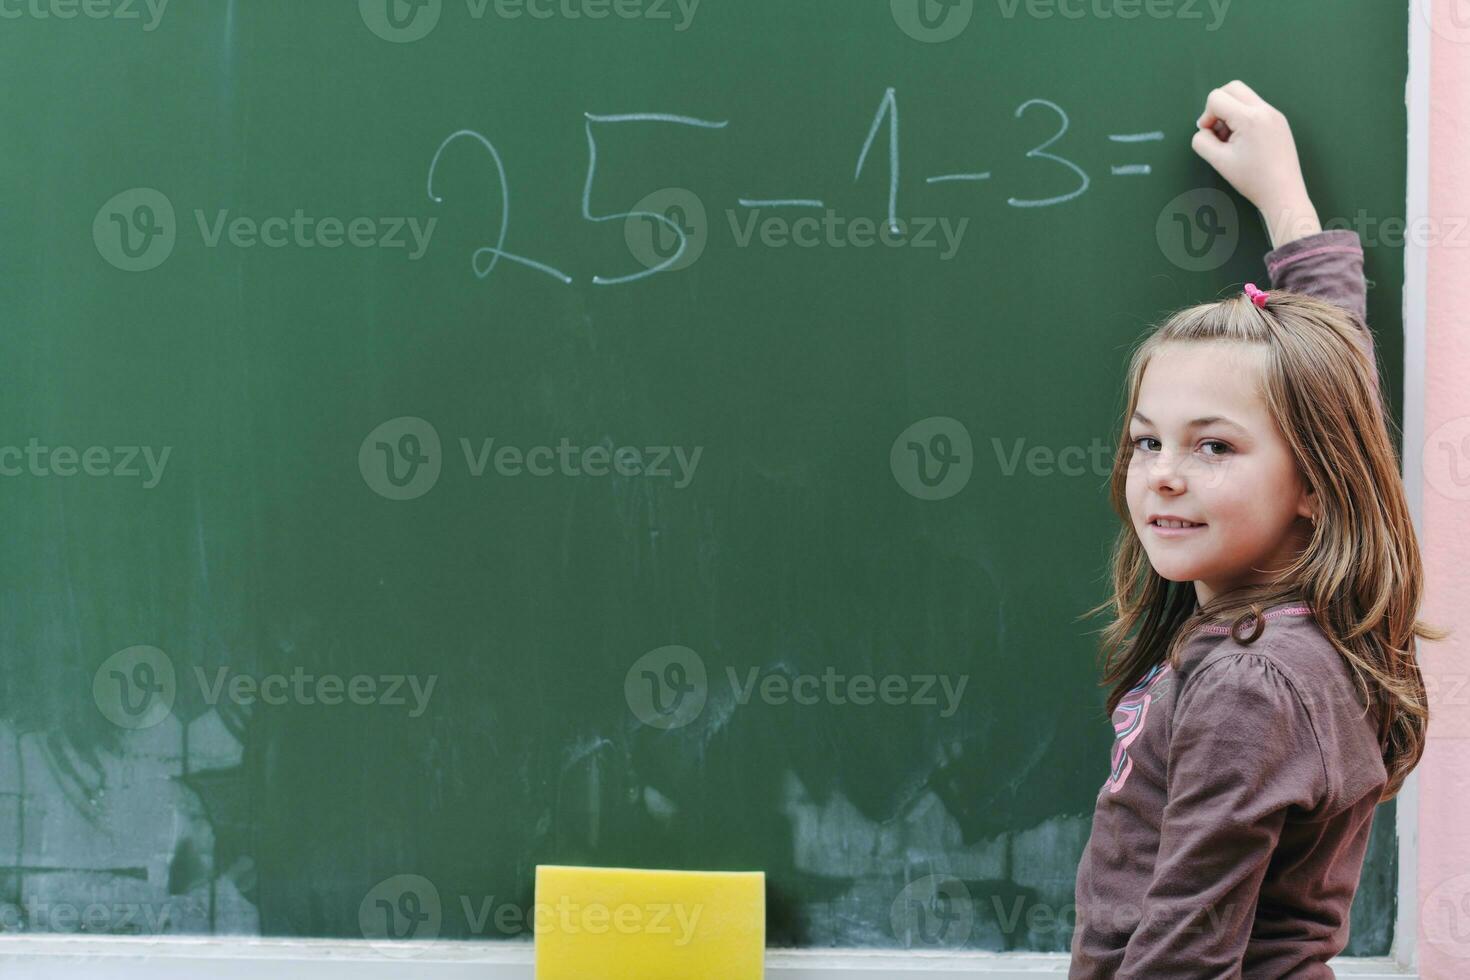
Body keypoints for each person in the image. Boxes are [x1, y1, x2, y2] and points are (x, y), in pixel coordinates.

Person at [1069, 80, 1448, 978]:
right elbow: (1332, 391)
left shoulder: (1248, 684)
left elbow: (1184, 956)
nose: (1162, 472)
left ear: (1316, 480)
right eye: (1147, 440)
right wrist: (1287, 205)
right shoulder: (1320, 626)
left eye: (1213, 446)